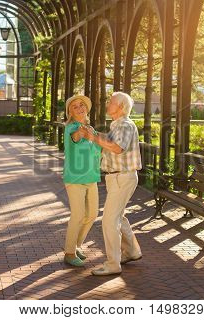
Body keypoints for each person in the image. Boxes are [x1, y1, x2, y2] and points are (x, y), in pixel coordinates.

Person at [83, 92, 142, 276]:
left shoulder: (124, 125)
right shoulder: (117, 125)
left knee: (109, 221)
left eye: (111, 102)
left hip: (121, 178)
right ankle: (132, 251)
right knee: (118, 217)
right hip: (117, 178)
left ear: (121, 107)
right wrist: (94, 135)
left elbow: (117, 147)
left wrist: (94, 137)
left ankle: (113, 264)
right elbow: (109, 143)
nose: (108, 104)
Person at [62, 95, 101, 267]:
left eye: (82, 105)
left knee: (92, 214)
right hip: (75, 178)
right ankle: (69, 253)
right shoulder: (70, 128)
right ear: (70, 111)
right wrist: (82, 133)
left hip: (91, 177)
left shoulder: (91, 128)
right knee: (78, 215)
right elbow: (75, 137)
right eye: (75, 106)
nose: (79, 108)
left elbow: (99, 148)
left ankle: (77, 245)